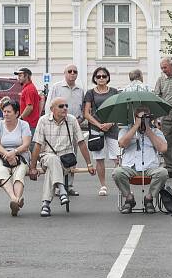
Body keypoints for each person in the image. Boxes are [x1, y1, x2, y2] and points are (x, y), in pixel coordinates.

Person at [30, 97, 96, 217]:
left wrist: (89, 164)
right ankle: (62, 190)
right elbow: (37, 145)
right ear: (52, 109)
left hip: (66, 161)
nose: (65, 108)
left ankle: (46, 204)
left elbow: (81, 142)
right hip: (47, 157)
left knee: (52, 167)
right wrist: (33, 167)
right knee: (52, 159)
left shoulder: (72, 120)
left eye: (66, 105)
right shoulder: (43, 121)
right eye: (61, 106)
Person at [114, 106, 169, 214]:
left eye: (146, 117)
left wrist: (148, 130)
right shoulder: (126, 129)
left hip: (150, 167)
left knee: (163, 172)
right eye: (141, 117)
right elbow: (122, 144)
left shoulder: (155, 131)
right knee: (117, 173)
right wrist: (136, 126)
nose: (144, 119)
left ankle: (149, 198)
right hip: (130, 167)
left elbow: (163, 148)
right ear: (135, 117)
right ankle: (129, 198)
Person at [45, 64, 86, 196]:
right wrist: (50, 123)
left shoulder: (80, 89)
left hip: (73, 125)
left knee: (72, 156)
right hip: (57, 126)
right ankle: (58, 186)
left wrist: (80, 119)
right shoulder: (56, 87)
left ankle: (69, 185)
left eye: (75, 71)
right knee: (57, 156)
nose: (72, 73)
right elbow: (48, 106)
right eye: (70, 71)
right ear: (65, 73)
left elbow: (82, 108)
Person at [0, 100, 32, 216]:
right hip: (3, 155)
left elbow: (26, 144)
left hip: (21, 155)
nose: (5, 114)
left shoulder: (24, 125)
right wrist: (7, 154)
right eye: (4, 112)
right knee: (2, 171)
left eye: (9, 112)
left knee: (19, 173)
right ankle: (15, 199)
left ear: (17, 113)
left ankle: (16, 199)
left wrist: (14, 152)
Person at [84, 66, 119, 196]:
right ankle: (103, 185)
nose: (101, 78)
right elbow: (87, 113)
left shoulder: (114, 91)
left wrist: (110, 123)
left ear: (108, 77)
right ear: (94, 78)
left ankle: (121, 185)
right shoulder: (90, 93)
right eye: (98, 76)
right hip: (96, 128)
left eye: (104, 76)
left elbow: (118, 110)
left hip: (112, 127)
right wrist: (99, 125)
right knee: (99, 158)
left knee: (117, 157)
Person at [15, 67, 41, 132]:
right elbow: (41, 99)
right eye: (18, 76)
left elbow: (29, 107)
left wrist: (20, 119)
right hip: (31, 123)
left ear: (26, 76)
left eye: (20, 75)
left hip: (29, 124)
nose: (18, 78)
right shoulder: (30, 87)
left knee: (28, 142)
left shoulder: (29, 89)